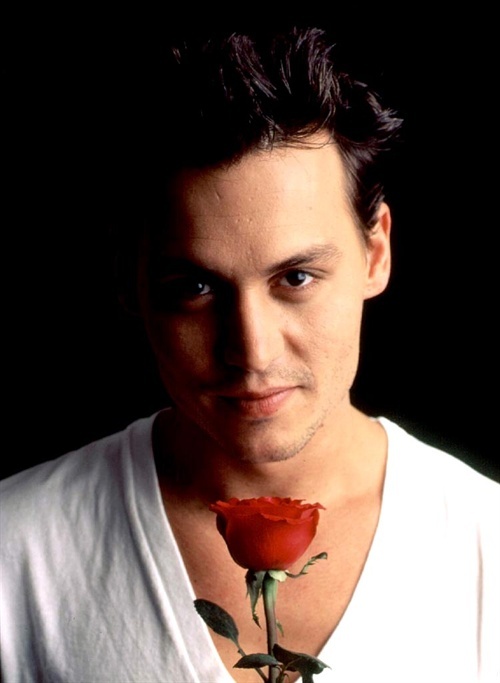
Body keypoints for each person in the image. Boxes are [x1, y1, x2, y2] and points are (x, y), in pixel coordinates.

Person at [1, 24, 499, 683]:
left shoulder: (487, 543)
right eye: (196, 288)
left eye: (296, 277)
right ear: (129, 282)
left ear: (375, 252)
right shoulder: (15, 548)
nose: (252, 352)